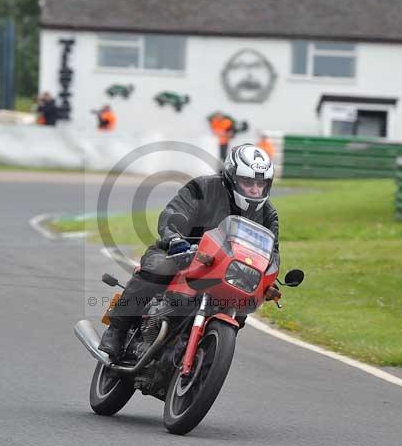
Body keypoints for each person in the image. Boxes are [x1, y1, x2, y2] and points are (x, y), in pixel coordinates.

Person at [98, 143, 279, 358]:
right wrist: (174, 237)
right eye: (248, 182)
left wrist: (269, 277)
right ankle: (117, 329)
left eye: (261, 184)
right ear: (231, 176)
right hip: (182, 252)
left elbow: (272, 251)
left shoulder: (268, 214)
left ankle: (209, 355)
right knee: (158, 267)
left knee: (240, 308)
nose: (255, 189)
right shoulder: (204, 187)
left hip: (227, 269)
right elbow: (174, 213)